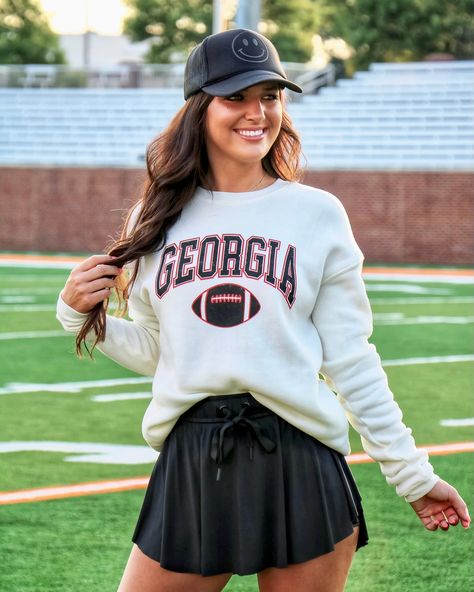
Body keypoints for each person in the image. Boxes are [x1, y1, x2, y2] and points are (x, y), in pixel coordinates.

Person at [56, 28, 470, 592]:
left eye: (270, 96)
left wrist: (412, 475)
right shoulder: (153, 220)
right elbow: (160, 353)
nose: (258, 113)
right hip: (194, 458)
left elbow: (351, 359)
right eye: (236, 97)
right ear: (200, 107)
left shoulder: (317, 214)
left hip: (299, 458)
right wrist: (80, 316)